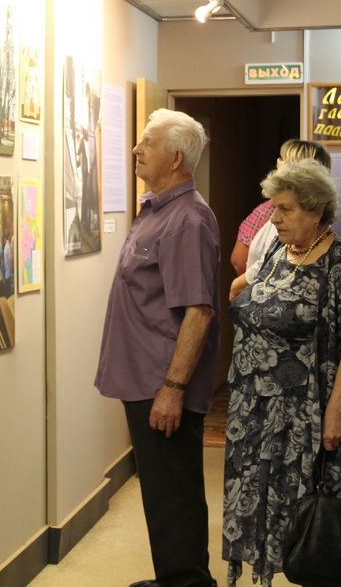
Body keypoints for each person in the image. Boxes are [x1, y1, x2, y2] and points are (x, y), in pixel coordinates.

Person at [223, 160, 341, 586]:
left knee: (307, 520)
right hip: (255, 410)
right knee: (261, 509)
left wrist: (336, 415)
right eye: (274, 207)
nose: (274, 218)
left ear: (316, 210)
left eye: (286, 209)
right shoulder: (279, 253)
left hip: (304, 415)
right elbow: (247, 293)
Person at [95, 108, 219, 587]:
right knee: (162, 491)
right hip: (143, 377)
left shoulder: (188, 220)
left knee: (173, 494)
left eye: (147, 142)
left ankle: (186, 581)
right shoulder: (156, 210)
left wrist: (173, 389)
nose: (136, 148)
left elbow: (199, 312)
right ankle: (176, 577)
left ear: (175, 156)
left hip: (161, 382)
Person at [228, 140, 332, 302]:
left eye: (286, 209)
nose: (275, 218)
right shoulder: (276, 235)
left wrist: (239, 287)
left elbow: (241, 262)